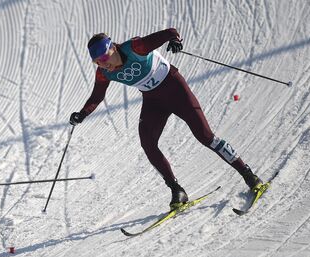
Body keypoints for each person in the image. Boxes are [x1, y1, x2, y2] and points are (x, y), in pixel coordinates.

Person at [70, 29, 263, 209]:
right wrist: (82, 113)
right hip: (153, 100)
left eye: (104, 57)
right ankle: (177, 190)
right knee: (148, 143)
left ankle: (249, 175)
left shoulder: (135, 48)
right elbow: (97, 96)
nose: (103, 64)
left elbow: (170, 32)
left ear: (112, 47)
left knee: (205, 136)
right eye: (97, 62)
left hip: (175, 89)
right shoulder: (104, 72)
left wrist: (175, 41)